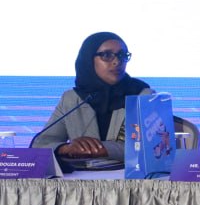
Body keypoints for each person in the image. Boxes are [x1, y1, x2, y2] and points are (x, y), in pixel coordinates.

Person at [35, 32, 152, 162]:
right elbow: (40, 145)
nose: (117, 61)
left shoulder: (143, 96)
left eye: (122, 55)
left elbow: (149, 147)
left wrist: (98, 149)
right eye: (107, 55)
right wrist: (64, 148)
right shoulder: (72, 99)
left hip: (129, 174)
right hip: (81, 174)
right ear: (88, 59)